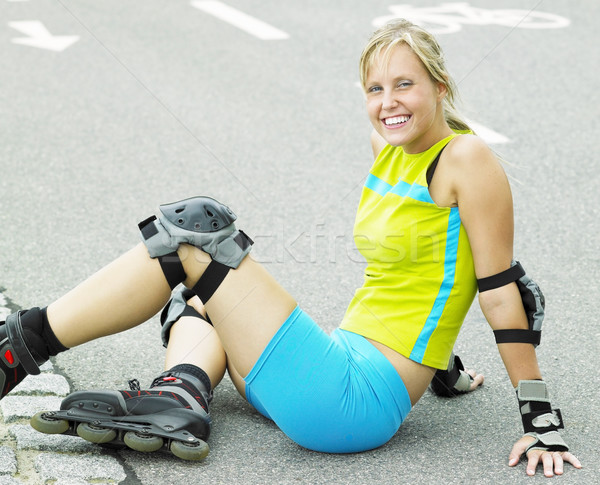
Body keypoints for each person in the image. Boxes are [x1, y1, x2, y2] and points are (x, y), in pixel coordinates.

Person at [0, 19, 581, 476]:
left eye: (405, 84)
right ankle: (183, 390)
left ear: (441, 86)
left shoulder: (466, 158)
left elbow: (504, 291)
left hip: (351, 399)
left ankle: (17, 345)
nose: (388, 102)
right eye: (375, 89)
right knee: (197, 300)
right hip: (332, 367)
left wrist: (540, 418)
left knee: (197, 235)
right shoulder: (390, 148)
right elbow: (422, 265)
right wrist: (443, 366)